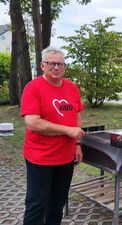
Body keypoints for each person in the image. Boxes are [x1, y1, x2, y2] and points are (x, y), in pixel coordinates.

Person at [20, 46, 85, 225]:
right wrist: (67, 131)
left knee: (57, 204)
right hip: (40, 158)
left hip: (65, 158)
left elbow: (77, 117)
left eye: (60, 64)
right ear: (42, 65)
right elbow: (32, 123)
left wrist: (77, 144)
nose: (56, 67)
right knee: (36, 205)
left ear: (64, 66)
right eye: (51, 64)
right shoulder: (33, 88)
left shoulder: (72, 88)